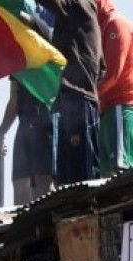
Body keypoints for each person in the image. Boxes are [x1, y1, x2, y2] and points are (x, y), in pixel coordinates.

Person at [37, 0, 105, 183]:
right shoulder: (87, 16)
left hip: (75, 103)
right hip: (82, 103)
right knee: (80, 178)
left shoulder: (76, 4)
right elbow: (102, 69)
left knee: (77, 182)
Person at [0, 79, 57, 205]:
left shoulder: (53, 60)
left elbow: (14, 101)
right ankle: (26, 222)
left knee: (43, 183)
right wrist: (1, 134)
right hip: (25, 124)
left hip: (46, 121)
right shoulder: (18, 64)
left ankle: (49, 220)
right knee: (21, 186)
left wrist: (1, 134)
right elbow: (14, 101)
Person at [95, 0, 133, 175]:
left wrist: (91, 98)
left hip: (120, 106)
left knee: (118, 173)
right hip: (108, 108)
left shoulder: (115, 24)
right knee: (107, 175)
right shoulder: (102, 27)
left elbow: (112, 73)